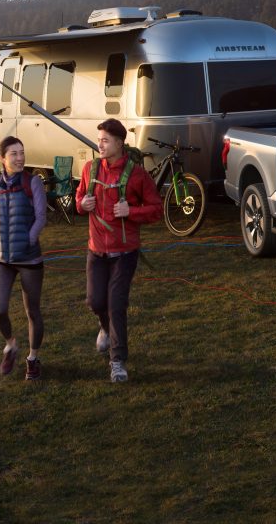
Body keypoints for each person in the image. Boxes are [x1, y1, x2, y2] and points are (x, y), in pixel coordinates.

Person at [75, 118, 162, 383]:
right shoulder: (90, 169)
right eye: (99, 139)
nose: (99, 144)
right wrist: (83, 204)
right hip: (96, 251)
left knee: (116, 304)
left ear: (119, 144)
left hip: (125, 253)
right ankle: (103, 328)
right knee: (94, 301)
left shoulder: (137, 174)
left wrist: (131, 212)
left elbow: (157, 209)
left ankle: (118, 361)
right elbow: (78, 201)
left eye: (105, 140)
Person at [0, 135, 47, 381]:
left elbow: (41, 217)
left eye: (22, 152)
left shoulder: (33, 183)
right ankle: (10, 345)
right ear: (2, 158)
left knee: (32, 310)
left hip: (30, 259)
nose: (20, 157)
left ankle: (33, 359)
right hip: (3, 258)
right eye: (14, 153)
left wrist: (30, 240)